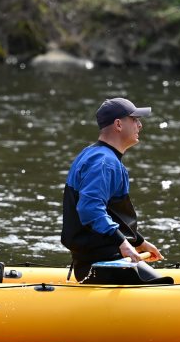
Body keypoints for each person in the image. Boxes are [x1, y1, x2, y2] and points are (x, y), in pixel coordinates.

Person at [61, 97, 163, 282]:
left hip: (103, 257)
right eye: (134, 119)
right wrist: (122, 242)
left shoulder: (96, 155)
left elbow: (111, 212)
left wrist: (139, 242)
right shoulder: (104, 162)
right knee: (162, 289)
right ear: (118, 124)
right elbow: (89, 209)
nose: (140, 125)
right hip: (101, 263)